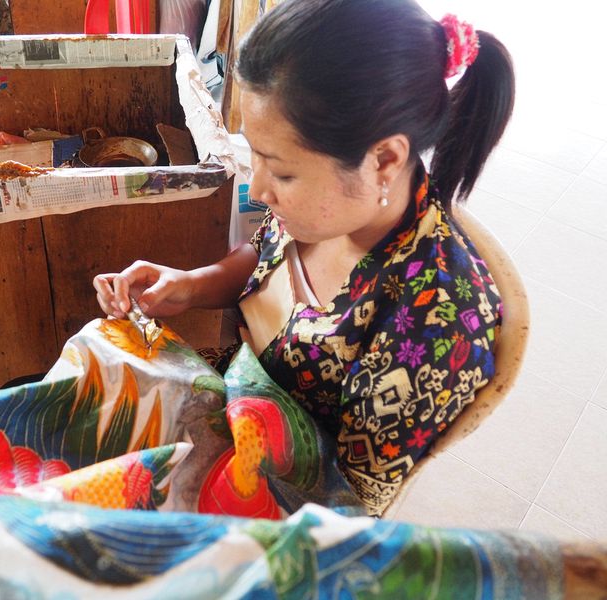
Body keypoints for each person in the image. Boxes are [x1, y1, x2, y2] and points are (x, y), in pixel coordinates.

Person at [94, 0, 514, 515]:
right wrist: (189, 286)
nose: (260, 188)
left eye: (282, 171)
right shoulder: (330, 209)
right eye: (257, 158)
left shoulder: (433, 324)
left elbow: (343, 508)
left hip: (281, 504)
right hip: (226, 413)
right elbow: (262, 255)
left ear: (384, 160)